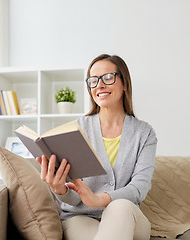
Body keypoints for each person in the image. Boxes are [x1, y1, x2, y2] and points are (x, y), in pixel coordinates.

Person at [36, 54, 157, 240]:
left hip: (128, 216)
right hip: (80, 217)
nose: (99, 85)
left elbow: (139, 187)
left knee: (120, 206)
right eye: (93, 80)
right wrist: (60, 189)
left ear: (124, 83)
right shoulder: (77, 130)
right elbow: (74, 198)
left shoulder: (144, 133)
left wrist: (100, 199)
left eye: (108, 78)